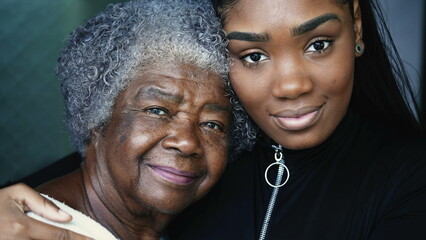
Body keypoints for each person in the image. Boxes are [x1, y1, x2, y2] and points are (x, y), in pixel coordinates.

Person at [1, 0, 426, 239]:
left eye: (317, 43)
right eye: (253, 56)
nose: (291, 85)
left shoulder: (407, 178)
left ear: (355, 23)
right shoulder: (37, 220)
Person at [0, 0, 233, 239]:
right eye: (157, 111)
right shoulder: (29, 230)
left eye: (212, 124)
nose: (187, 143)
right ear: (96, 117)